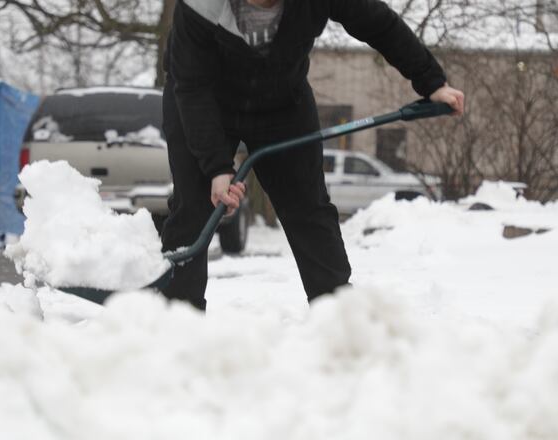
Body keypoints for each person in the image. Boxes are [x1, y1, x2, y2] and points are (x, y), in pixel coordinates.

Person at [160, 0, 465, 311]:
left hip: (281, 103)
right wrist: (216, 168)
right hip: (202, 100)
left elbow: (379, 23)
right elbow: (192, 87)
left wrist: (432, 82)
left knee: (308, 207)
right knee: (193, 207)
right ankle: (178, 319)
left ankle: (335, 315)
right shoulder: (200, 4)